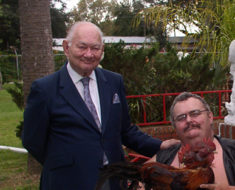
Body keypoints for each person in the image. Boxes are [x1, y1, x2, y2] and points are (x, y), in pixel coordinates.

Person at [22, 21, 178, 190]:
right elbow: (32, 140)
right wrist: (65, 163)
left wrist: (160, 146)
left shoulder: (113, 82)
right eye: (82, 47)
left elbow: (124, 129)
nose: (89, 54)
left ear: (102, 50)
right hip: (67, 181)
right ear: (67, 48)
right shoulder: (45, 89)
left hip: (112, 179)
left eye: (95, 48)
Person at [147, 92, 235, 190]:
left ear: (210, 117)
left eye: (195, 113)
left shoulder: (232, 151)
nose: (188, 120)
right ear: (175, 127)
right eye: (181, 118)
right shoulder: (163, 157)